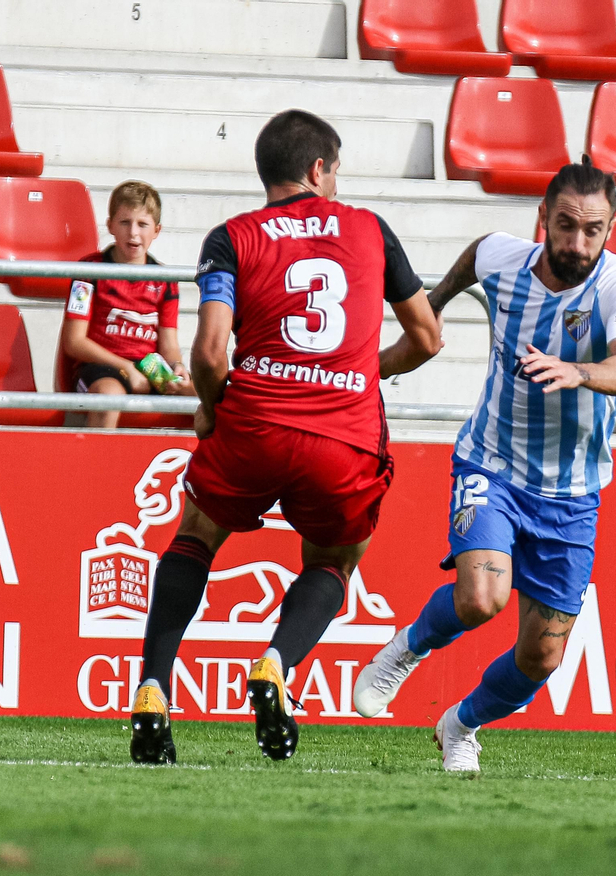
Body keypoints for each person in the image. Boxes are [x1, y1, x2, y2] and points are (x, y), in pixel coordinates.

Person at [127, 110, 441, 764]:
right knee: (333, 560)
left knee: (195, 534)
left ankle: (154, 688)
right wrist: (361, 371)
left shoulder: (230, 238)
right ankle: (276, 665)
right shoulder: (370, 229)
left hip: (257, 424)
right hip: (344, 437)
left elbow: (210, 354)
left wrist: (211, 411)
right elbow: (429, 338)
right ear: (319, 168)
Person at [350, 157, 616, 773]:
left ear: (611, 229)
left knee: (542, 656)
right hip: (491, 465)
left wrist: (579, 372)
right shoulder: (499, 257)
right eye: (565, 225)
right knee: (480, 598)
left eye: (593, 230)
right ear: (541, 217)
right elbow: (450, 290)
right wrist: (403, 337)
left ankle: (460, 726)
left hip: (572, 493)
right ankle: (404, 652)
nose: (576, 242)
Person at [60, 181, 195, 430]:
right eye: (124, 222)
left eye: (142, 224)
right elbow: (74, 342)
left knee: (204, 396)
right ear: (110, 225)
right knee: (108, 398)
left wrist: (176, 368)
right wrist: (126, 368)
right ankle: (98, 467)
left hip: (149, 370)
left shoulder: (166, 281)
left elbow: (169, 345)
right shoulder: (88, 271)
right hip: (101, 369)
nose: (133, 233)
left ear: (157, 230)